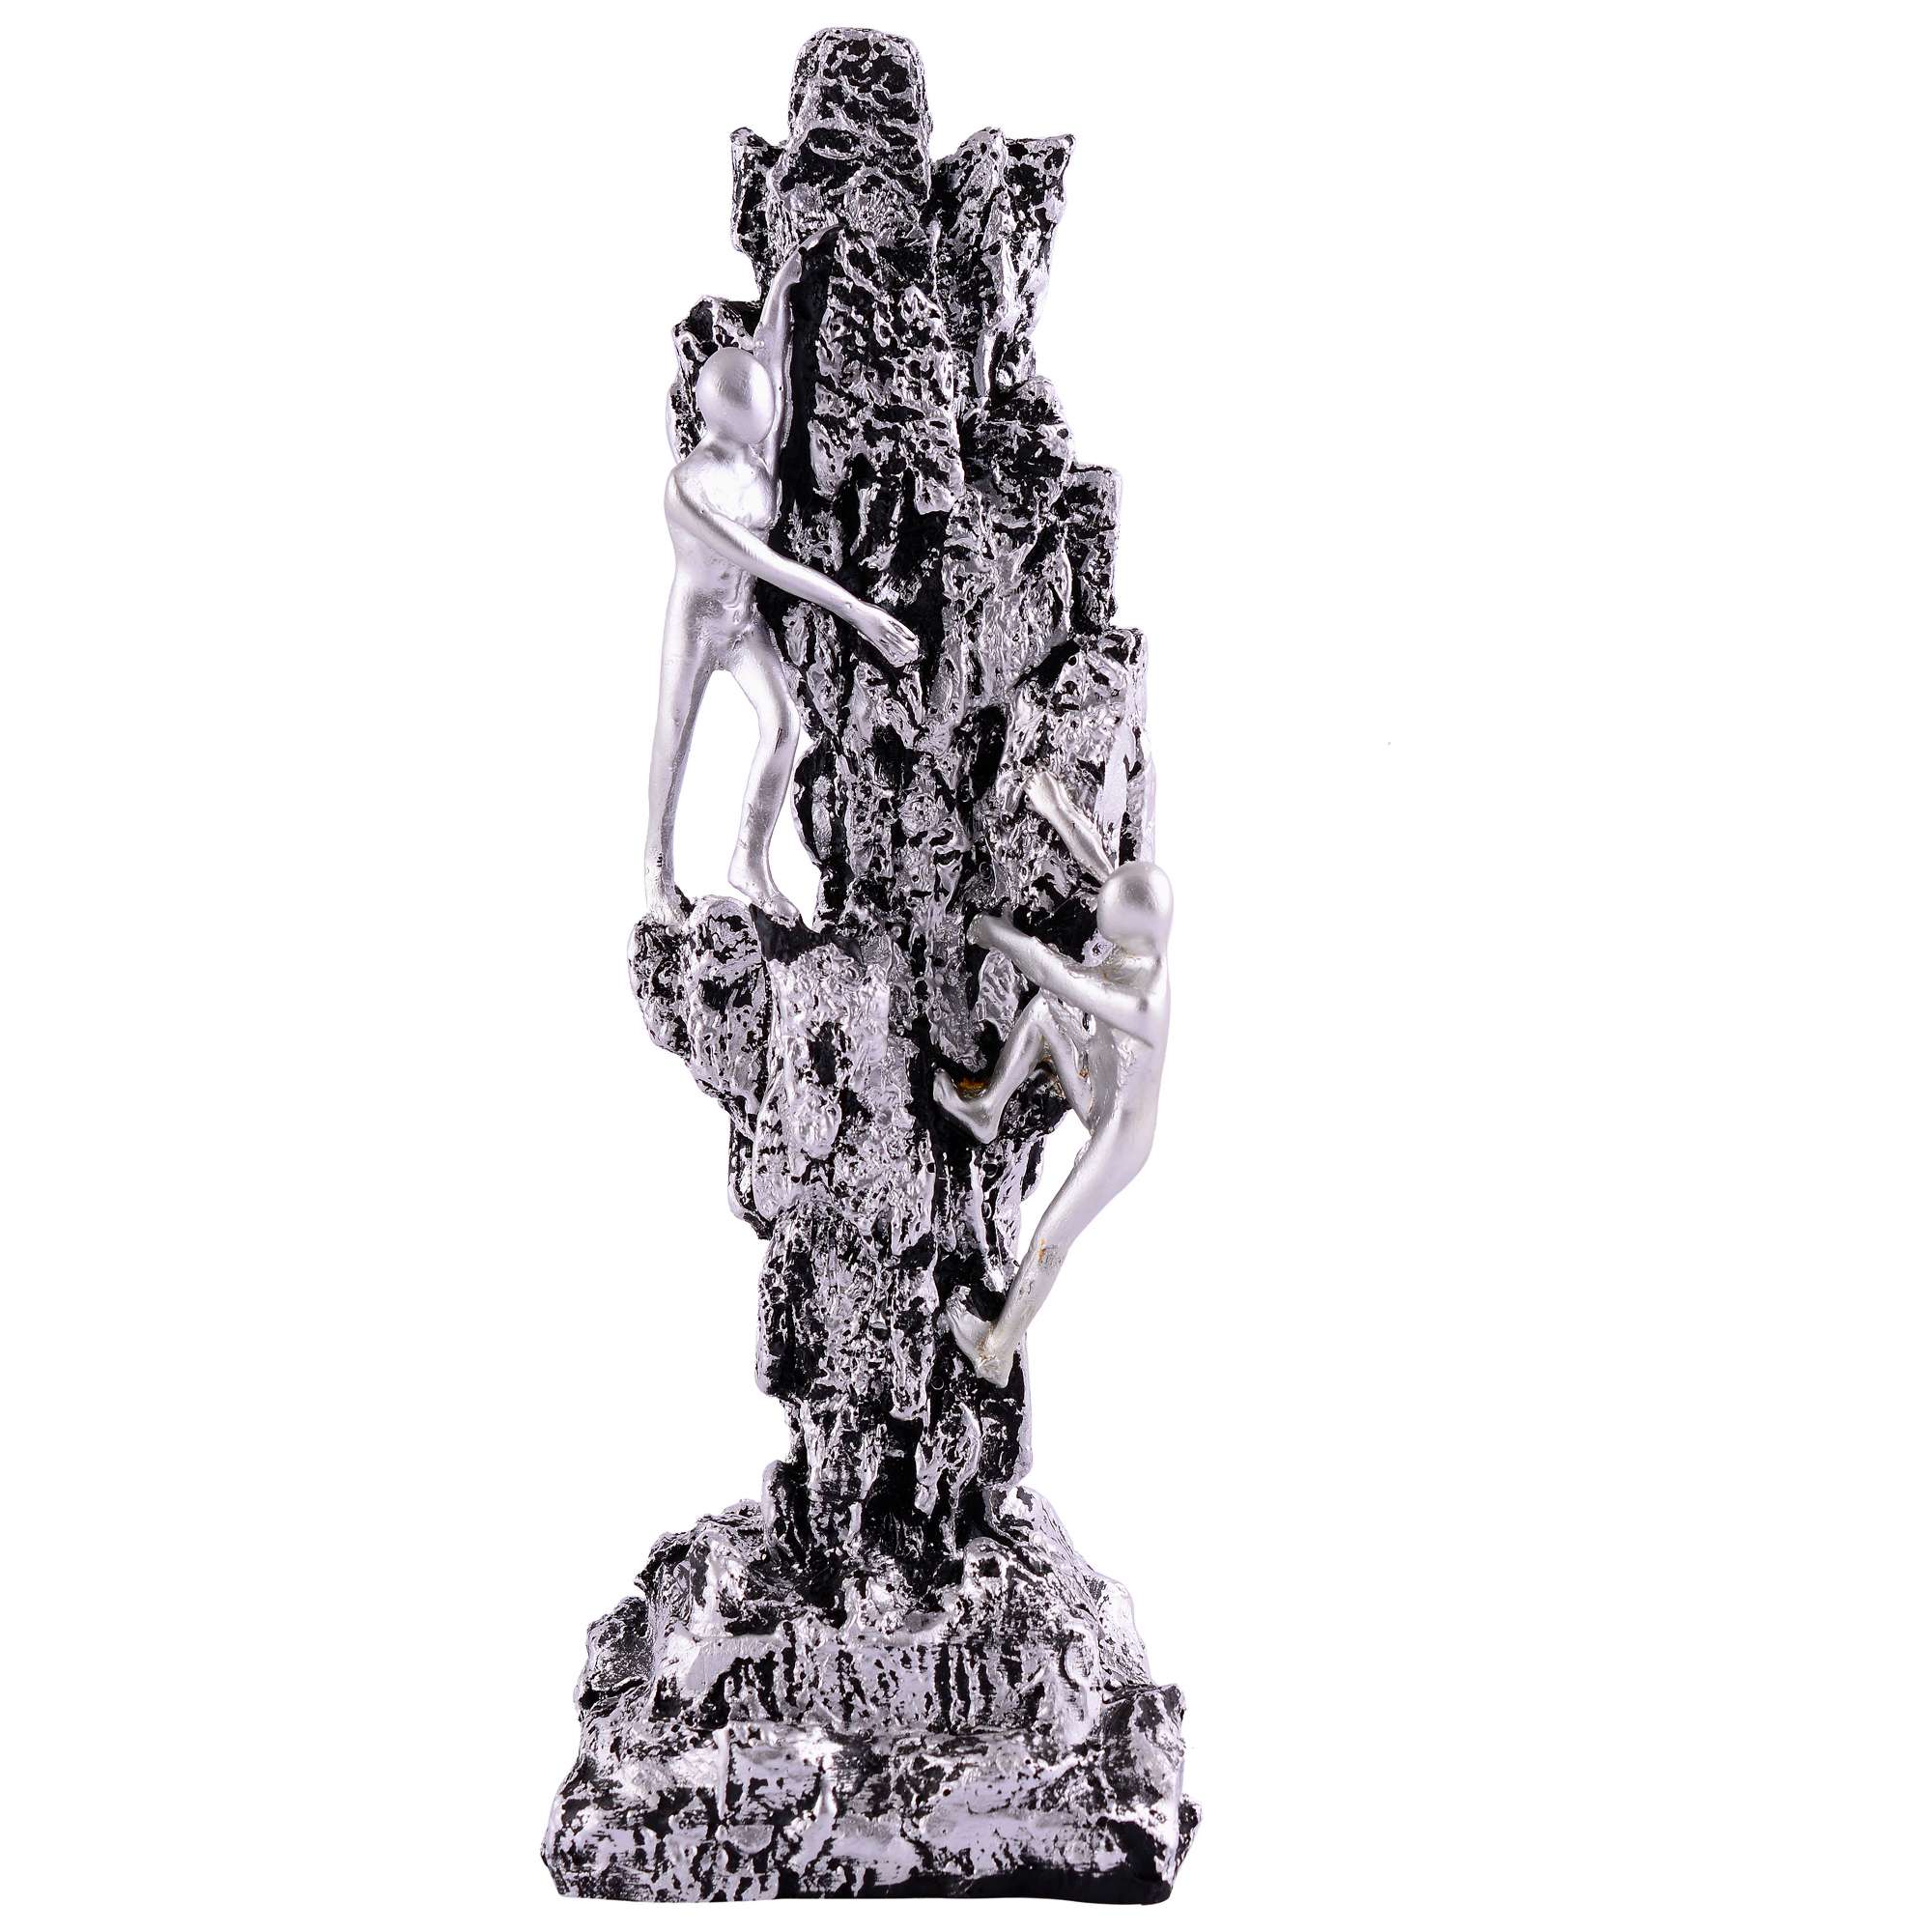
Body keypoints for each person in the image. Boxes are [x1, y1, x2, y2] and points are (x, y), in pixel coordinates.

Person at [644, 234, 921, 925]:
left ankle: (750, 858)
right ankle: (656, 865)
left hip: (742, 622)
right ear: (721, 414)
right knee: (674, 738)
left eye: (769, 408)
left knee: (782, 722)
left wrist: (782, 288)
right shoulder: (686, 488)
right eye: (757, 411)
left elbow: (771, 354)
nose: (770, 421)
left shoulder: (755, 450)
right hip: (697, 623)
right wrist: (859, 614)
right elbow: (770, 565)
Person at [933, 772, 1173, 1383]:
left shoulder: (1141, 1000)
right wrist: (1059, 811)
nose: (1100, 920)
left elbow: (1054, 970)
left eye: (1108, 922)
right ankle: (986, 1109)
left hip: (1118, 1133)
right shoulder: (1143, 938)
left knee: (1050, 1235)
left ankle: (997, 1351)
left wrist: (994, 933)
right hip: (1100, 1073)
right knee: (1042, 1015)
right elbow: (1106, 870)